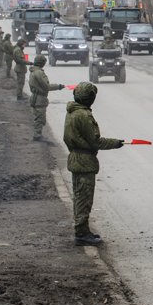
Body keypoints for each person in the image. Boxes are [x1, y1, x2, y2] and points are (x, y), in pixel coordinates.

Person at [63, 82, 123, 246]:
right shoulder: (83, 115)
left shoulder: (72, 112)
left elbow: (68, 138)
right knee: (84, 198)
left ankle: (82, 230)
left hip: (76, 158)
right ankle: (81, 233)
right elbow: (96, 142)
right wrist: (116, 143)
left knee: (79, 196)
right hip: (84, 161)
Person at [28, 55, 64, 141]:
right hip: (39, 98)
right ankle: (37, 135)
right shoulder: (39, 73)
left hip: (35, 97)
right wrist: (58, 86)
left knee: (38, 116)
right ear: (42, 63)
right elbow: (46, 86)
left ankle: (38, 134)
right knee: (40, 118)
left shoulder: (34, 71)